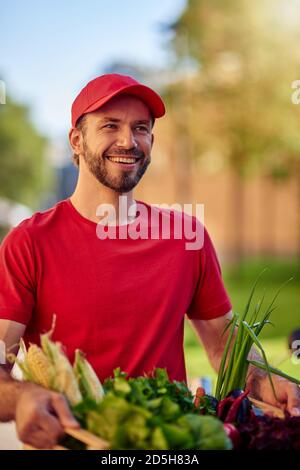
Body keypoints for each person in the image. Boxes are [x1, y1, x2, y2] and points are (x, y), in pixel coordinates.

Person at [0, 74, 299, 449]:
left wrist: (271, 382)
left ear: (151, 142)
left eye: (140, 128)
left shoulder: (187, 237)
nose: (128, 141)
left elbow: (224, 347)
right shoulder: (29, 243)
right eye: (110, 125)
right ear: (76, 141)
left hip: (167, 444)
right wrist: (21, 397)